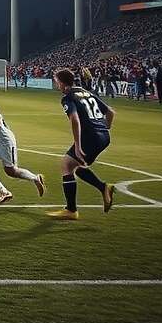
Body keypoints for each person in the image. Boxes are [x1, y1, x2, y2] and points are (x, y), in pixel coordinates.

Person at [47, 69, 116, 220]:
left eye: (56, 81)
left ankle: (71, 210)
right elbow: (110, 112)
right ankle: (103, 188)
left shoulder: (68, 97)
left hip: (90, 138)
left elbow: (75, 120)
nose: (56, 84)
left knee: (66, 165)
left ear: (62, 83)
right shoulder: (85, 92)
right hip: (104, 137)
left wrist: (78, 146)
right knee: (77, 167)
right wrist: (105, 127)